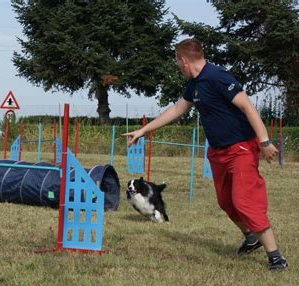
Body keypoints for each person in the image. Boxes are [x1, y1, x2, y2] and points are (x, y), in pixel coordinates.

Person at [123, 38, 288, 271]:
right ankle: (251, 238)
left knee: (245, 201)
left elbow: (248, 107)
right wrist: (144, 130)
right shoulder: (194, 85)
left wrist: (264, 142)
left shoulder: (218, 77)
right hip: (218, 151)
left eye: (177, 62)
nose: (178, 67)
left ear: (183, 60)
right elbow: (176, 110)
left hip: (240, 148)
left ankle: (276, 257)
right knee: (226, 201)